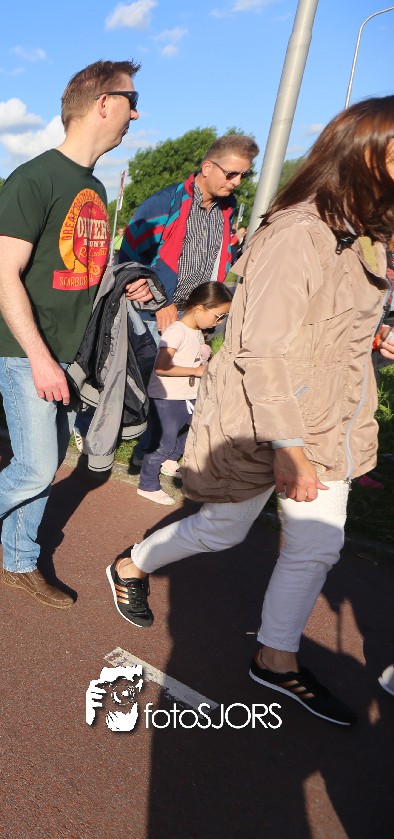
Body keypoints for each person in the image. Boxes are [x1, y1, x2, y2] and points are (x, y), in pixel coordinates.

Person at [106, 96, 394, 728]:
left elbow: (324, 325)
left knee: (316, 545)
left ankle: (275, 657)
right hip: (265, 416)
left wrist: (373, 337)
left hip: (328, 417)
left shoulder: (366, 238)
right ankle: (130, 563)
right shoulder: (297, 232)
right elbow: (261, 348)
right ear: (365, 155)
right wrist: (287, 445)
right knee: (223, 530)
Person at [0, 59, 152, 607]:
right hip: (25, 352)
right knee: (37, 467)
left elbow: (80, 272)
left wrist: (124, 283)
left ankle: (20, 561)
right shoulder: (35, 178)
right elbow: (4, 275)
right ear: (103, 103)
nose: (137, 114)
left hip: (70, 354)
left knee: (43, 465)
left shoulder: (94, 187)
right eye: (131, 101)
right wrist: (39, 358)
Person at [118, 134, 258, 336]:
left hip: (197, 318)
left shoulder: (227, 209)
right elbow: (128, 263)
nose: (237, 182)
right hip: (154, 319)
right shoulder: (163, 203)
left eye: (244, 175)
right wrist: (159, 302)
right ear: (207, 168)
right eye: (231, 174)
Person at [135, 283, 232, 505]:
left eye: (223, 317)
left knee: (194, 429)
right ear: (199, 309)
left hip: (188, 395)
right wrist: (196, 371)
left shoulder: (197, 332)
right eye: (218, 316)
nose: (219, 322)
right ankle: (147, 485)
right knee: (163, 443)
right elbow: (161, 367)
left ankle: (169, 462)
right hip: (168, 398)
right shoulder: (176, 331)